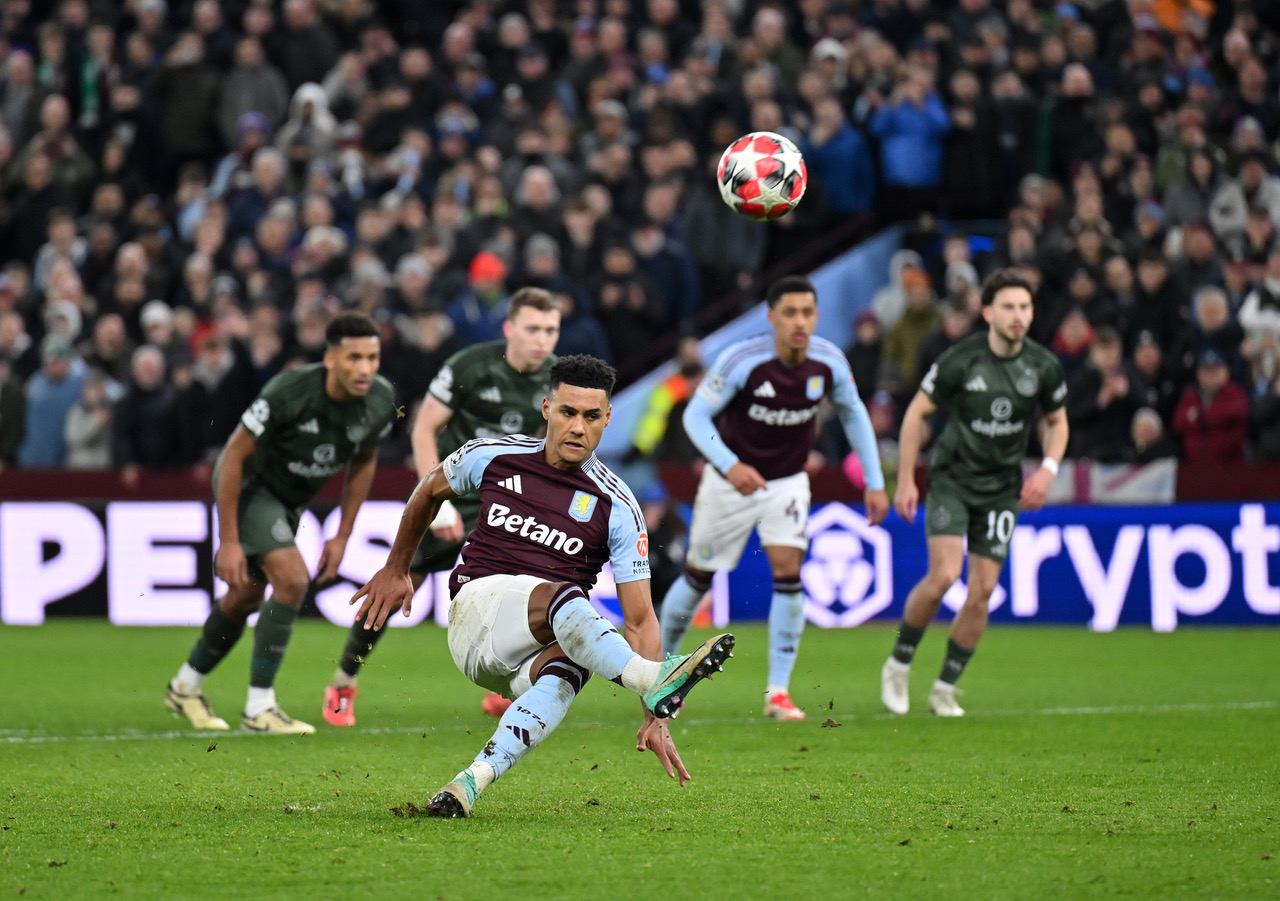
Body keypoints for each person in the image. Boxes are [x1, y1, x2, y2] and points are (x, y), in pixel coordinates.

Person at [353, 354, 735, 818]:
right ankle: (651, 679)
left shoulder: (617, 505)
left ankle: (470, 783)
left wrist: (654, 718)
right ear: (546, 408)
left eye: (592, 416)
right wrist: (397, 568)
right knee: (565, 595)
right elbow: (429, 489)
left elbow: (638, 618)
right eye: (568, 412)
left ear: (608, 418)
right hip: (477, 613)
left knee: (573, 670)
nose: (578, 427)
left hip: (527, 655)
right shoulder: (494, 455)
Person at [322, 287, 562, 727]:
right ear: (510, 329)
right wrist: (440, 499)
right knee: (395, 586)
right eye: (532, 329)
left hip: (505, 508)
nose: (541, 339)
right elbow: (423, 429)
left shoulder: (556, 380)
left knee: (530, 596)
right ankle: (342, 683)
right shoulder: (470, 366)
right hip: (450, 497)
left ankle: (507, 690)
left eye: (550, 330)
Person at [657, 275, 889, 721]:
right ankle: (661, 673)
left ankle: (777, 691)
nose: (799, 322)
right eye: (790, 313)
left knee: (788, 571)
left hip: (786, 482)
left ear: (816, 316)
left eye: (807, 313)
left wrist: (874, 481)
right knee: (698, 576)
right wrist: (729, 465)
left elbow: (854, 411)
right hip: (731, 483)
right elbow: (696, 415)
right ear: (772, 318)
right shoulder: (744, 360)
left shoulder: (829, 362)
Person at [164, 312, 397, 735]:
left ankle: (185, 685)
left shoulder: (381, 400)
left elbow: (363, 461)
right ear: (330, 359)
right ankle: (260, 708)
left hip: (288, 503)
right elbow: (232, 456)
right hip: (252, 489)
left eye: (372, 357)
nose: (365, 369)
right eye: (354, 358)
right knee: (292, 579)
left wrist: (343, 534)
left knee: (245, 598)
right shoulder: (290, 392)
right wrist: (229, 540)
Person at [882, 269, 1069, 718]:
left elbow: (1058, 422)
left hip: (1002, 489)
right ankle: (899, 662)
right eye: (1008, 307)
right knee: (945, 574)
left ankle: (945, 685)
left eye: (1024, 307)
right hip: (952, 481)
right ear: (988, 312)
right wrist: (907, 478)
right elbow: (915, 415)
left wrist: (1047, 469)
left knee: (983, 590)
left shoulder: (1042, 366)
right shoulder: (961, 360)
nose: (1018, 315)